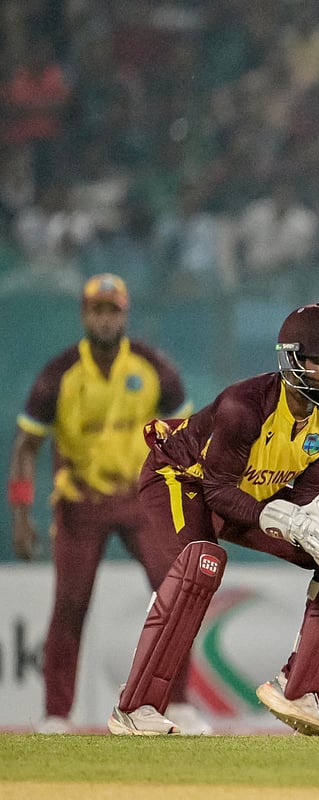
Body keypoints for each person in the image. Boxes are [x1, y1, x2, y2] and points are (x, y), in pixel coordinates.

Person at [107, 302, 319, 736]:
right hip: (183, 478)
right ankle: (135, 707)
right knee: (202, 563)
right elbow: (217, 491)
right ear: (293, 361)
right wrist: (282, 519)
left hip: (249, 493)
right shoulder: (245, 406)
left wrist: (315, 527)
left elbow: (306, 497)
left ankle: (297, 690)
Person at [7, 273, 206, 734]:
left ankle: (178, 704)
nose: (104, 319)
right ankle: (56, 715)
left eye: (112, 311)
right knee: (70, 604)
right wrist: (21, 515)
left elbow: (187, 436)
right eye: (96, 310)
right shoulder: (60, 374)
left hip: (143, 499)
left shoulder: (152, 366)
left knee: (176, 595)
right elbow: (25, 447)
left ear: (124, 315)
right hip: (81, 501)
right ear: (84, 315)